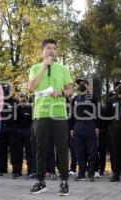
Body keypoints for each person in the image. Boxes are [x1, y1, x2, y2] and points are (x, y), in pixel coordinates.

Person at [28, 38, 73, 196]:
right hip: (41, 113)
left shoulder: (63, 69)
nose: (51, 51)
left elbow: (70, 91)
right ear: (42, 51)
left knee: (61, 147)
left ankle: (64, 182)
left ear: (57, 51)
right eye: (48, 48)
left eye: (54, 48)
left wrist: (60, 92)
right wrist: (43, 68)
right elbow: (31, 88)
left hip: (59, 113)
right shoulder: (34, 68)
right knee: (41, 148)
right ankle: (41, 182)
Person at [70, 78, 99, 182]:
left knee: (92, 150)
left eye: (83, 83)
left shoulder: (93, 98)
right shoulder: (74, 99)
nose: (81, 85)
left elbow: (97, 113)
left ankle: (90, 173)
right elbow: (72, 115)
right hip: (77, 126)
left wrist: (97, 126)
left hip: (90, 125)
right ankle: (81, 173)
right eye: (79, 83)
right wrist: (71, 128)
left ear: (87, 86)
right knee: (79, 151)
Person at [0, 83, 21, 178]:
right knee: (0, 150)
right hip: (0, 128)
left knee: (15, 150)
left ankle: (16, 170)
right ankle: (1, 169)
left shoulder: (15, 102)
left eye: (6, 91)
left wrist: (17, 127)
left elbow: (21, 117)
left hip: (13, 129)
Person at [106, 80, 121, 182]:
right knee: (115, 150)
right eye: (118, 85)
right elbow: (106, 114)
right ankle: (116, 173)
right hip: (115, 128)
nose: (120, 87)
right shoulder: (111, 101)